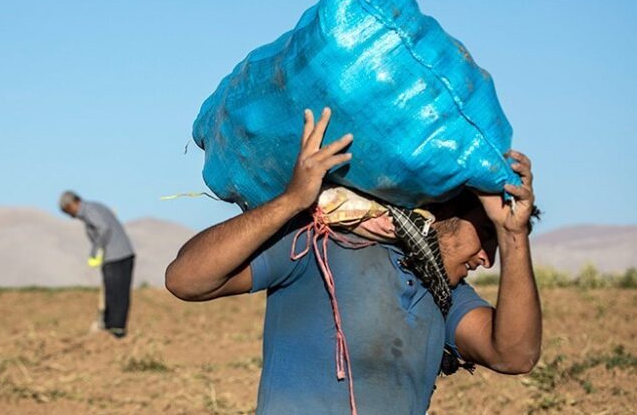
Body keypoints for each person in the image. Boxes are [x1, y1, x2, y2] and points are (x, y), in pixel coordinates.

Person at [166, 108, 542, 414]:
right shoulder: (317, 242)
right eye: (486, 236)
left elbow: (514, 356)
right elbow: (186, 279)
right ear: (448, 211)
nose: (487, 259)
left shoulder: (446, 295)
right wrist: (291, 201)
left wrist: (512, 235)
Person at [60, 191, 136, 338]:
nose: (69, 216)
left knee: (116, 294)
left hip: (117, 256)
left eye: (67, 211)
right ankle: (110, 327)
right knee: (113, 292)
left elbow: (104, 228)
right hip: (117, 255)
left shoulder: (89, 210)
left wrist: (96, 250)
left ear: (72, 204)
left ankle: (115, 329)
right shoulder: (92, 208)